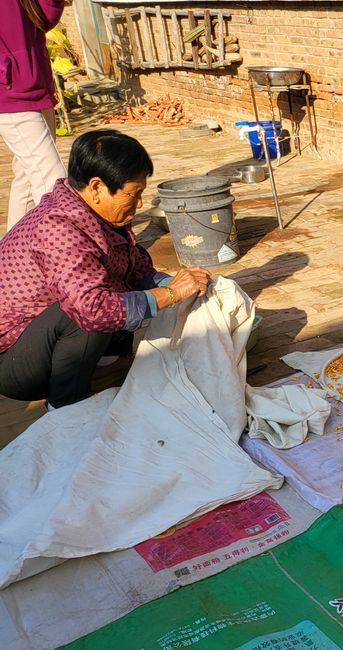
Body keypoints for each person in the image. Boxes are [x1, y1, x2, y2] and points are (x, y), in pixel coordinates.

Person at [0, 129, 211, 409]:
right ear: (97, 187)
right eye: (133, 195)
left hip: (42, 339)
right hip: (14, 364)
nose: (139, 204)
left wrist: (166, 283)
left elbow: (131, 265)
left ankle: (106, 360)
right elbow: (92, 309)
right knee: (87, 311)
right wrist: (170, 295)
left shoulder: (96, 211)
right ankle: (66, 403)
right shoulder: (57, 229)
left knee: (118, 294)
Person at [1, 0, 69, 230]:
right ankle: (71, 257)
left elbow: (44, 18)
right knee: (54, 181)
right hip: (8, 92)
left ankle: (11, 259)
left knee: (28, 181)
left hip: (35, 84)